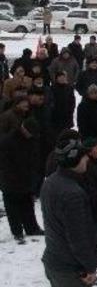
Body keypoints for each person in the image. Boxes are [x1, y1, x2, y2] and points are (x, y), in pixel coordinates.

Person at [41, 138, 97, 287]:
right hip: (69, 269)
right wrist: (90, 266)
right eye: (84, 156)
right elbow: (77, 236)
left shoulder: (50, 181)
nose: (87, 158)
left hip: (54, 259)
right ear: (75, 160)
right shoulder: (72, 194)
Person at [0, 94, 42, 243]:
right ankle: (17, 231)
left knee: (27, 203)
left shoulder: (31, 139)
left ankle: (32, 227)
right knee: (12, 205)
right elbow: (4, 161)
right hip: (10, 177)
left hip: (24, 175)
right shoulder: (8, 140)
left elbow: (33, 156)